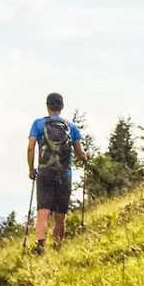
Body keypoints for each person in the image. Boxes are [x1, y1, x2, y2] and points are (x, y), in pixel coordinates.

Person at [27, 92, 89, 254]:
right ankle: (57, 248)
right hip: (64, 174)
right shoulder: (71, 127)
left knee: (43, 211)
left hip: (45, 173)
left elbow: (31, 147)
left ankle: (41, 246)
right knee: (60, 214)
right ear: (61, 107)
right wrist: (85, 156)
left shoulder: (38, 124)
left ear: (47, 106)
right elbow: (80, 154)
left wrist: (31, 169)